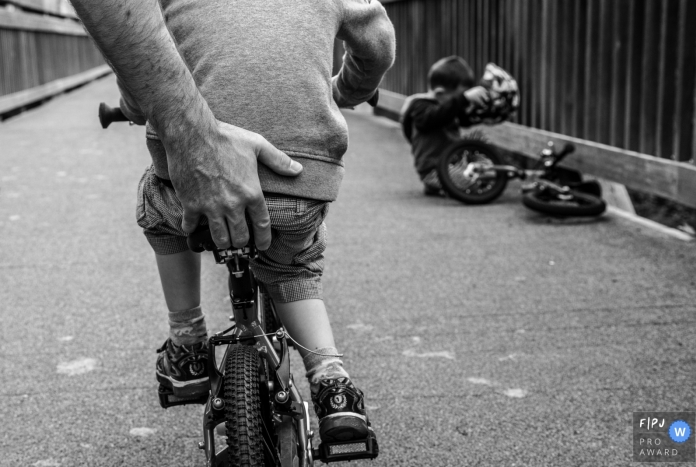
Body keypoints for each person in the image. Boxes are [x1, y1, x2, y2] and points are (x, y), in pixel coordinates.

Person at [78, 0, 395, 445]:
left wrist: (133, 108)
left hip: (190, 189)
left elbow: (142, 66)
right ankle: (331, 381)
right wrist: (345, 90)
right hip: (296, 180)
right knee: (293, 266)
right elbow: (377, 46)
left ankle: (187, 345)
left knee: (156, 210)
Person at [400, 56, 519, 196]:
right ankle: (446, 184)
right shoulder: (420, 106)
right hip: (434, 169)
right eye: (456, 97)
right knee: (473, 183)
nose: (458, 103)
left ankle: (488, 170)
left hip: (454, 162)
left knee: (478, 137)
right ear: (439, 93)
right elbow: (431, 119)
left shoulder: (447, 107)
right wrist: (463, 99)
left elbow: (462, 119)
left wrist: (482, 112)